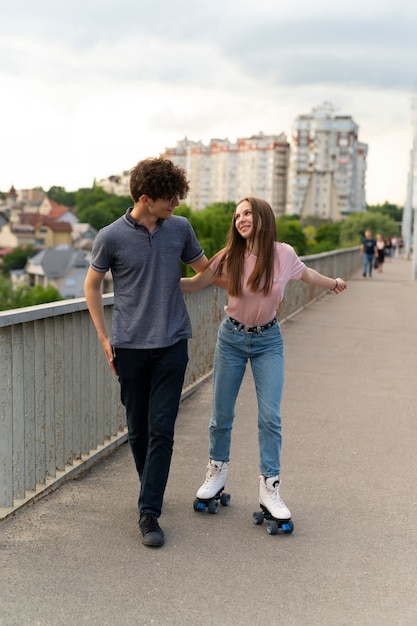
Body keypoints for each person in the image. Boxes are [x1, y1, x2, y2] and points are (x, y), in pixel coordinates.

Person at [180, 197, 347, 523]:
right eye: (237, 215)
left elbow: (307, 274)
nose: (241, 219)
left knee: (270, 416)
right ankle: (216, 473)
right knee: (221, 414)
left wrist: (333, 283)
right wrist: (151, 282)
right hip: (231, 339)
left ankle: (270, 487)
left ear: (262, 217)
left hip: (268, 341)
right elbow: (196, 283)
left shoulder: (283, 254)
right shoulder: (230, 256)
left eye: (247, 213)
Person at [84, 157, 212, 548]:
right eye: (170, 198)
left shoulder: (180, 229)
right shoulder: (110, 237)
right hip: (130, 347)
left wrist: (247, 268)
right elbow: (92, 286)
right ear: (145, 198)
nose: (177, 204)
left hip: (173, 342)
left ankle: (149, 512)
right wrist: (105, 340)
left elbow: (205, 270)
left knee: (162, 429)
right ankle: (150, 488)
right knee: (138, 428)